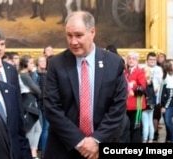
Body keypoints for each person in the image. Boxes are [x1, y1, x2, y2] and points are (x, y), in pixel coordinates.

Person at [44, 11, 127, 159]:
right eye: (69, 35)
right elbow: (52, 108)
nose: (73, 42)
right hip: (64, 148)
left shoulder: (114, 63)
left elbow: (118, 107)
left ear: (92, 32)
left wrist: (96, 140)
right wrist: (80, 142)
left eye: (78, 35)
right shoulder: (56, 64)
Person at [19, 55, 42, 159]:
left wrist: (34, 90)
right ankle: (29, 153)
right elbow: (38, 90)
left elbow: (36, 90)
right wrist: (34, 91)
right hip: (28, 103)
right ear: (25, 64)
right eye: (31, 63)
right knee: (30, 129)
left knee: (38, 129)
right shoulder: (24, 75)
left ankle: (33, 152)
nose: (33, 65)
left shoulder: (28, 75)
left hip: (31, 102)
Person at [124, 51, 146, 143]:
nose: (131, 60)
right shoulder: (125, 72)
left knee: (136, 127)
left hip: (136, 104)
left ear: (137, 61)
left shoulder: (140, 72)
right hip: (125, 105)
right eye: (129, 58)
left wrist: (132, 85)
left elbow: (142, 86)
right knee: (126, 128)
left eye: (133, 59)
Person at [145, 52, 163, 141]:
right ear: (147, 60)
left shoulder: (159, 69)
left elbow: (161, 82)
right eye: (150, 60)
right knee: (146, 116)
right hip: (146, 96)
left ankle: (155, 133)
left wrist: (156, 88)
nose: (152, 61)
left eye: (154, 60)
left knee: (155, 116)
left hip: (156, 95)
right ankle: (146, 134)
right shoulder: (143, 68)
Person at [160, 59, 173, 143]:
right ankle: (169, 138)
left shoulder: (170, 79)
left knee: (168, 121)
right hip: (167, 104)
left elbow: (170, 94)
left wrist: (164, 106)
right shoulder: (166, 77)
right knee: (167, 123)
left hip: (170, 105)